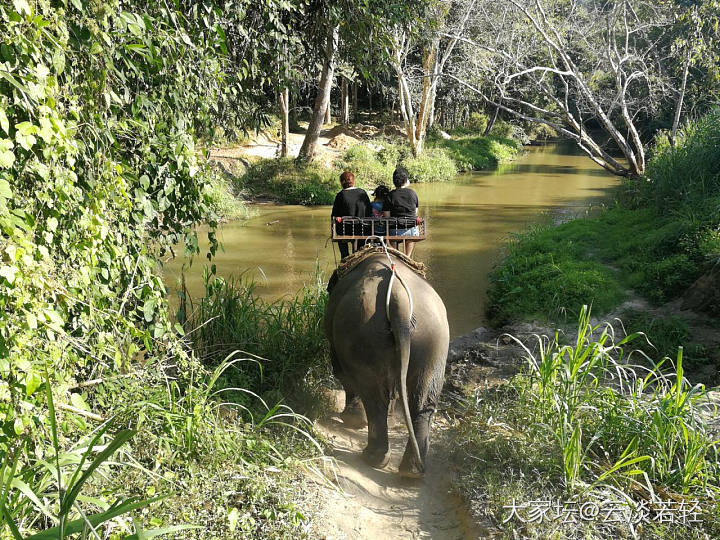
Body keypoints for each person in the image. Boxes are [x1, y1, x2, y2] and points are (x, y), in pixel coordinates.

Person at [331, 170, 371, 259]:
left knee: (341, 237)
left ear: (342, 182)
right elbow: (369, 211)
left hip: (345, 230)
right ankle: (360, 255)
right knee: (361, 249)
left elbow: (334, 215)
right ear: (354, 181)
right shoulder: (362, 193)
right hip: (362, 229)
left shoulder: (340, 195)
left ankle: (344, 257)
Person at [383, 166, 419, 257]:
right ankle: (408, 256)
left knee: (391, 236)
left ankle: (395, 256)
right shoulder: (413, 193)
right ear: (406, 180)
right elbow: (415, 213)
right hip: (411, 230)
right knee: (410, 237)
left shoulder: (390, 195)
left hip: (394, 230)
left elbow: (387, 216)